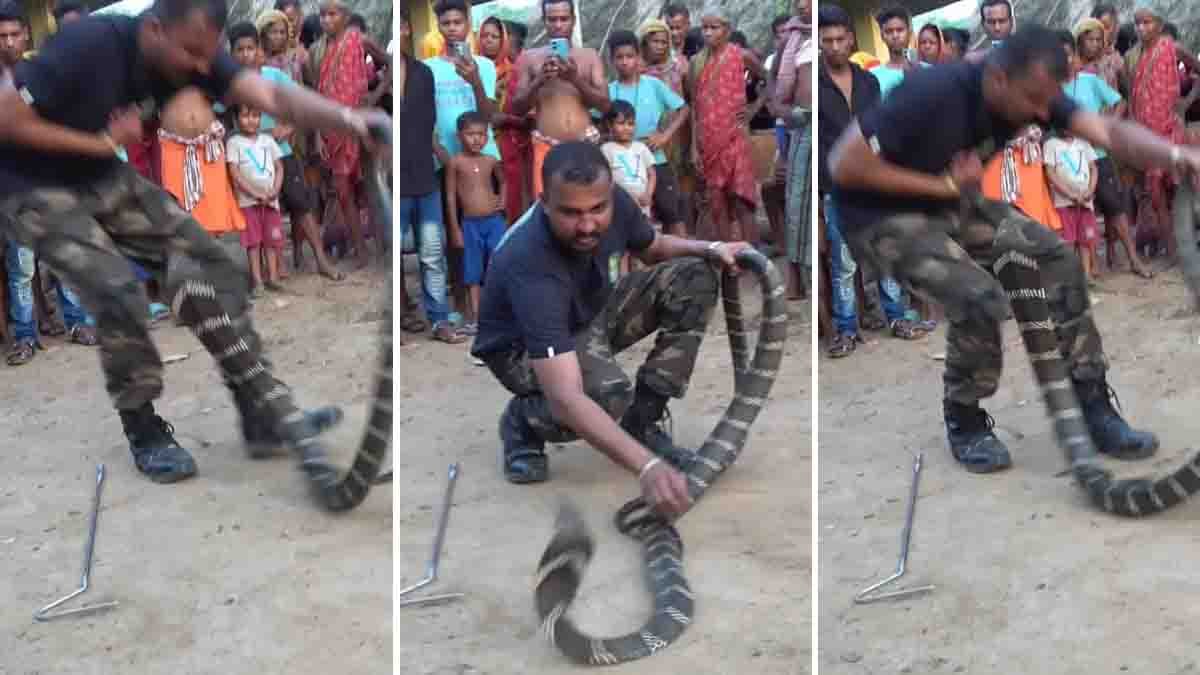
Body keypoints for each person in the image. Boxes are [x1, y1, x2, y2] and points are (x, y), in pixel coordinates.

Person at [0, 0, 388, 484]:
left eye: (209, 57)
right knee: (116, 288)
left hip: (98, 172)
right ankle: (143, 427)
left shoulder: (195, 49)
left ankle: (260, 410)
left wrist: (349, 119)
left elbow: (272, 96)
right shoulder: (89, 45)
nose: (203, 70)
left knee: (217, 265)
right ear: (156, 30)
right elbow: (8, 121)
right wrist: (100, 144)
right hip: (32, 185)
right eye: (193, 56)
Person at [827, 25, 1198, 474]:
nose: (1043, 114)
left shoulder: (1034, 90)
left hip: (949, 201)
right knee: (977, 296)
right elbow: (843, 164)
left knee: (1059, 258)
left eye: (1049, 103)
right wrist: (941, 185)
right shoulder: (934, 91)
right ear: (999, 80)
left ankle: (1093, 403)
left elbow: (1108, 132)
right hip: (879, 217)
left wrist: (1180, 157)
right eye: (1034, 103)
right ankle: (964, 418)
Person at [470, 141, 753, 519]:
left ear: (608, 194)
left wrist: (711, 247)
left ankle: (643, 420)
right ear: (544, 202)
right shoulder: (531, 263)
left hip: (586, 312)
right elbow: (567, 397)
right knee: (603, 397)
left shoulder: (612, 200)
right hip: (520, 350)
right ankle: (523, 421)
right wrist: (647, 467)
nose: (588, 225)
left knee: (694, 276)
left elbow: (652, 246)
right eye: (571, 213)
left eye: (597, 209)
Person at [230, 19, 343, 281]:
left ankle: (321, 260)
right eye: (240, 49)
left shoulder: (273, 77)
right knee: (260, 211)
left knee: (300, 205)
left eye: (250, 48)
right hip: (247, 158)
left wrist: (289, 127)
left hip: (281, 152)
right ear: (232, 53)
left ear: (258, 49)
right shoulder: (231, 87)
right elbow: (227, 123)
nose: (246, 54)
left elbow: (300, 105)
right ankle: (269, 271)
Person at [1066, 21, 1150, 279]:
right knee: (1074, 213)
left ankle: (1133, 259)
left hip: (1098, 154)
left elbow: (1119, 100)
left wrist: (1108, 126)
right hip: (1068, 157)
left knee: (1113, 205)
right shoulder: (1051, 86)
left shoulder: (1090, 80)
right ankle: (1086, 269)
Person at [511, 0, 609, 200]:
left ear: (573, 21)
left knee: (588, 202)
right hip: (545, 145)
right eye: (552, 19)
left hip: (585, 143)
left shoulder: (589, 57)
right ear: (544, 21)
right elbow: (517, 108)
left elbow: (605, 105)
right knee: (547, 206)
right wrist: (539, 80)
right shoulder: (530, 58)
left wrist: (575, 79)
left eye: (563, 19)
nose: (558, 25)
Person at [687, 9, 765, 242]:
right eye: (705, 28)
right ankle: (728, 262)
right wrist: (693, 146)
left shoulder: (741, 56)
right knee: (717, 203)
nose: (708, 33)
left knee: (742, 200)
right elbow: (694, 106)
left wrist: (753, 109)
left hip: (735, 137)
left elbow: (768, 80)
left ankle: (754, 261)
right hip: (708, 141)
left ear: (727, 30)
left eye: (715, 27)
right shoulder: (696, 62)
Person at [607, 29, 688, 237]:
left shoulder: (653, 85)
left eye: (630, 56)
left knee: (672, 215)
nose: (625, 62)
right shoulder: (607, 91)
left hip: (655, 160)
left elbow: (684, 109)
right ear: (611, 60)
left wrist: (665, 136)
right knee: (628, 220)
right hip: (622, 169)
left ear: (638, 57)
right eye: (619, 57)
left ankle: (684, 266)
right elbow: (597, 121)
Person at [311, 0, 372, 269]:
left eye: (332, 14)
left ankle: (376, 247)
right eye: (322, 15)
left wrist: (373, 97)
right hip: (331, 128)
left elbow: (391, 63)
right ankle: (360, 249)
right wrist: (317, 134)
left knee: (367, 189)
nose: (326, 20)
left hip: (357, 126)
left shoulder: (356, 40)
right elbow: (319, 93)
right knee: (342, 192)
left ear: (345, 16)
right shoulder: (321, 51)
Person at [446, 111, 505, 335]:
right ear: (459, 136)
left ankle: (498, 315)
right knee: (472, 273)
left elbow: (503, 180)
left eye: (481, 134)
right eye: (470, 134)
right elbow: (450, 196)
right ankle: (477, 319)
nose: (476, 139)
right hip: (470, 224)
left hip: (494, 222)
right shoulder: (455, 163)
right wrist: (454, 228)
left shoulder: (491, 161)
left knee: (497, 267)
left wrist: (503, 199)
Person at [227, 104, 286, 295]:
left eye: (255, 115)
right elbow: (234, 172)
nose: (251, 120)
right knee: (253, 242)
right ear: (236, 119)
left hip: (271, 200)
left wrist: (276, 189)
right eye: (245, 116)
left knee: (272, 240)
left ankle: (273, 277)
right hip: (248, 202)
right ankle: (257, 281)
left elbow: (279, 167)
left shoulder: (267, 140)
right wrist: (254, 193)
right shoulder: (234, 142)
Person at [1043, 124, 1100, 280]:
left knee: (1085, 240)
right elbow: (1050, 172)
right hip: (1064, 202)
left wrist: (1090, 190)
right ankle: (1068, 278)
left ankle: (1086, 276)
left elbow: (1093, 168)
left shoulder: (1083, 143)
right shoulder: (1051, 145)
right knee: (1068, 241)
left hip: (1086, 201)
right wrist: (1070, 194)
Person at [601, 100, 657, 221]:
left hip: (643, 204)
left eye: (630, 124)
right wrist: (625, 197)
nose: (626, 128)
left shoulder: (641, 148)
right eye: (621, 123)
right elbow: (606, 178)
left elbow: (652, 174)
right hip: (619, 203)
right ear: (610, 125)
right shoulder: (606, 149)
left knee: (644, 233)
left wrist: (649, 194)